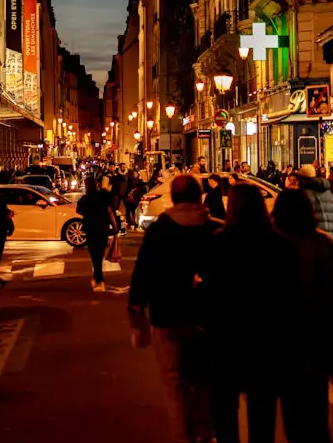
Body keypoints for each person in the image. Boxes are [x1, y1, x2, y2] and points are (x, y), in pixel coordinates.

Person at [203, 183, 300, 443]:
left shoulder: (218, 244)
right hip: (266, 340)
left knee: (224, 414)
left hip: (227, 339)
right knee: (262, 413)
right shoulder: (283, 246)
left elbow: (209, 294)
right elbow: (292, 296)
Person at [129, 175, 220, 443]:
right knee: (205, 378)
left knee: (174, 380)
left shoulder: (160, 230)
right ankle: (206, 430)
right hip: (206, 316)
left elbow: (143, 270)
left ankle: (184, 434)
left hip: (167, 314)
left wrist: (136, 305)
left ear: (174, 198)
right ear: (200, 197)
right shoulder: (213, 230)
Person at [273, 190, 333, 443]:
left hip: (286, 345)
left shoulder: (276, 248)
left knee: (294, 417)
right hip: (318, 341)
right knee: (316, 416)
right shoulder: (323, 246)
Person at [76, 176, 117, 292]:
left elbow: (79, 210)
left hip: (90, 230)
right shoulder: (103, 197)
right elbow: (110, 211)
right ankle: (97, 278)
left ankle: (99, 279)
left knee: (95, 257)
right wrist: (115, 228)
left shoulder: (85, 199)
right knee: (99, 256)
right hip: (102, 229)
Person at [298, 164, 333, 237]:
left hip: (315, 236)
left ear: (302, 179)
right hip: (329, 234)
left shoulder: (306, 193)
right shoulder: (327, 191)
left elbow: (307, 217)